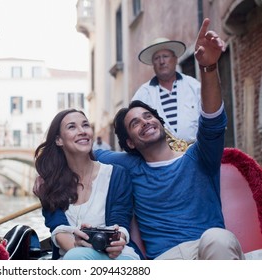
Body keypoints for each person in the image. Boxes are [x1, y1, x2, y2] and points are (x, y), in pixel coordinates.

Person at [95, 18, 245, 260]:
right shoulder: (131, 164)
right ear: (130, 143)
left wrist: (209, 68)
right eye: (135, 123)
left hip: (209, 247)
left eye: (148, 116)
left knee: (217, 238)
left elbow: (212, 120)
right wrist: (51, 166)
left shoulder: (198, 156)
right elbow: (90, 154)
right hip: (166, 258)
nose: (145, 121)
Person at [33, 109, 141, 260]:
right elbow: (59, 230)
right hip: (72, 257)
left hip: (116, 257)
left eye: (85, 125)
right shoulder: (49, 184)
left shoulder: (117, 175)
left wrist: (118, 240)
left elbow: (120, 222)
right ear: (59, 140)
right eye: (72, 127)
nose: (82, 131)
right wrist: (78, 247)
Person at [131, 36, 201, 145]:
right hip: (160, 158)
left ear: (175, 59)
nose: (162, 61)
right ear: (153, 64)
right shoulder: (142, 94)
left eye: (165, 56)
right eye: (157, 58)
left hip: (196, 153)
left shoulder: (194, 86)